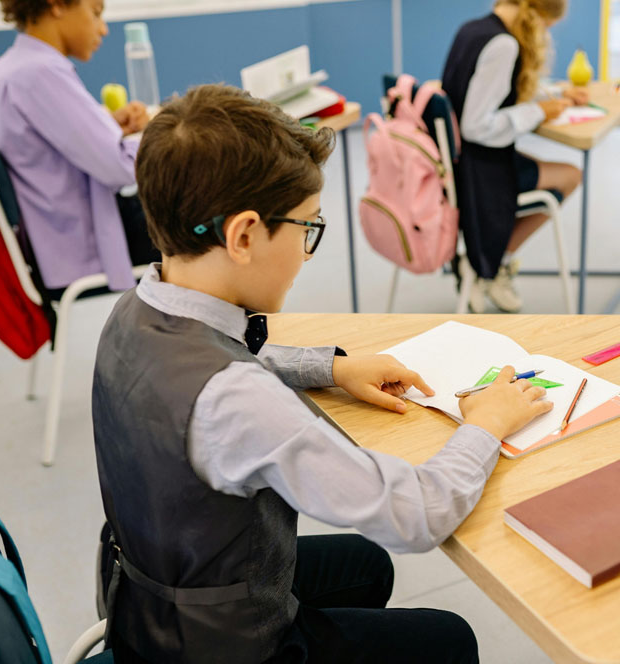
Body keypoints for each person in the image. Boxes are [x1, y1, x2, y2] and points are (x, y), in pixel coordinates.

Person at [92, 83, 553, 663]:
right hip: (225, 649)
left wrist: (331, 367)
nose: (308, 254)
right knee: (449, 639)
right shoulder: (237, 400)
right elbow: (416, 514)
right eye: (307, 228)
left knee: (365, 567)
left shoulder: (135, 311)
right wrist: (485, 424)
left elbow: (219, 361)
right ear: (243, 236)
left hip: (152, 602)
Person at [0, 0, 156, 297]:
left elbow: (43, 144)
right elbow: (120, 169)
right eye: (95, 13)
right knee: (210, 217)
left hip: (55, 243)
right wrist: (154, 132)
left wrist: (109, 126)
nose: (103, 29)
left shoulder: (9, 68)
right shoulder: (42, 73)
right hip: (90, 243)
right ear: (56, 5)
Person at [442, 0, 584, 313]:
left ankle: (488, 263)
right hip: (482, 172)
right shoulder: (504, 44)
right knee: (572, 175)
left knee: (557, 171)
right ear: (535, 15)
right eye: (547, 26)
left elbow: (491, 90)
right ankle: (493, 264)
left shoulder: (473, 29)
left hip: (460, 163)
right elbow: (476, 126)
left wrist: (554, 95)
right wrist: (538, 111)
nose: (544, 35)